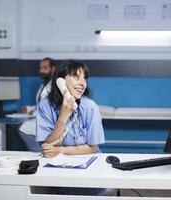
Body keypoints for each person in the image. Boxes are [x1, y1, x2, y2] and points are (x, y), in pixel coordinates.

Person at [36, 60, 116, 196]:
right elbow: (47, 146)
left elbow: (92, 148)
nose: (82, 83)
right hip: (60, 167)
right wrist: (62, 117)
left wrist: (59, 150)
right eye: (76, 77)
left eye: (84, 78)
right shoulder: (45, 106)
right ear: (60, 81)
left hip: (89, 165)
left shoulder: (90, 107)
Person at [18, 57, 56, 151]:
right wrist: (29, 108)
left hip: (50, 122)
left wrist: (33, 113)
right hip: (42, 120)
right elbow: (41, 103)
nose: (41, 70)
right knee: (24, 127)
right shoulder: (44, 84)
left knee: (24, 128)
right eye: (40, 68)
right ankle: (41, 151)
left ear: (53, 69)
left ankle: (39, 152)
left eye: (45, 68)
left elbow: (51, 108)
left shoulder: (55, 86)